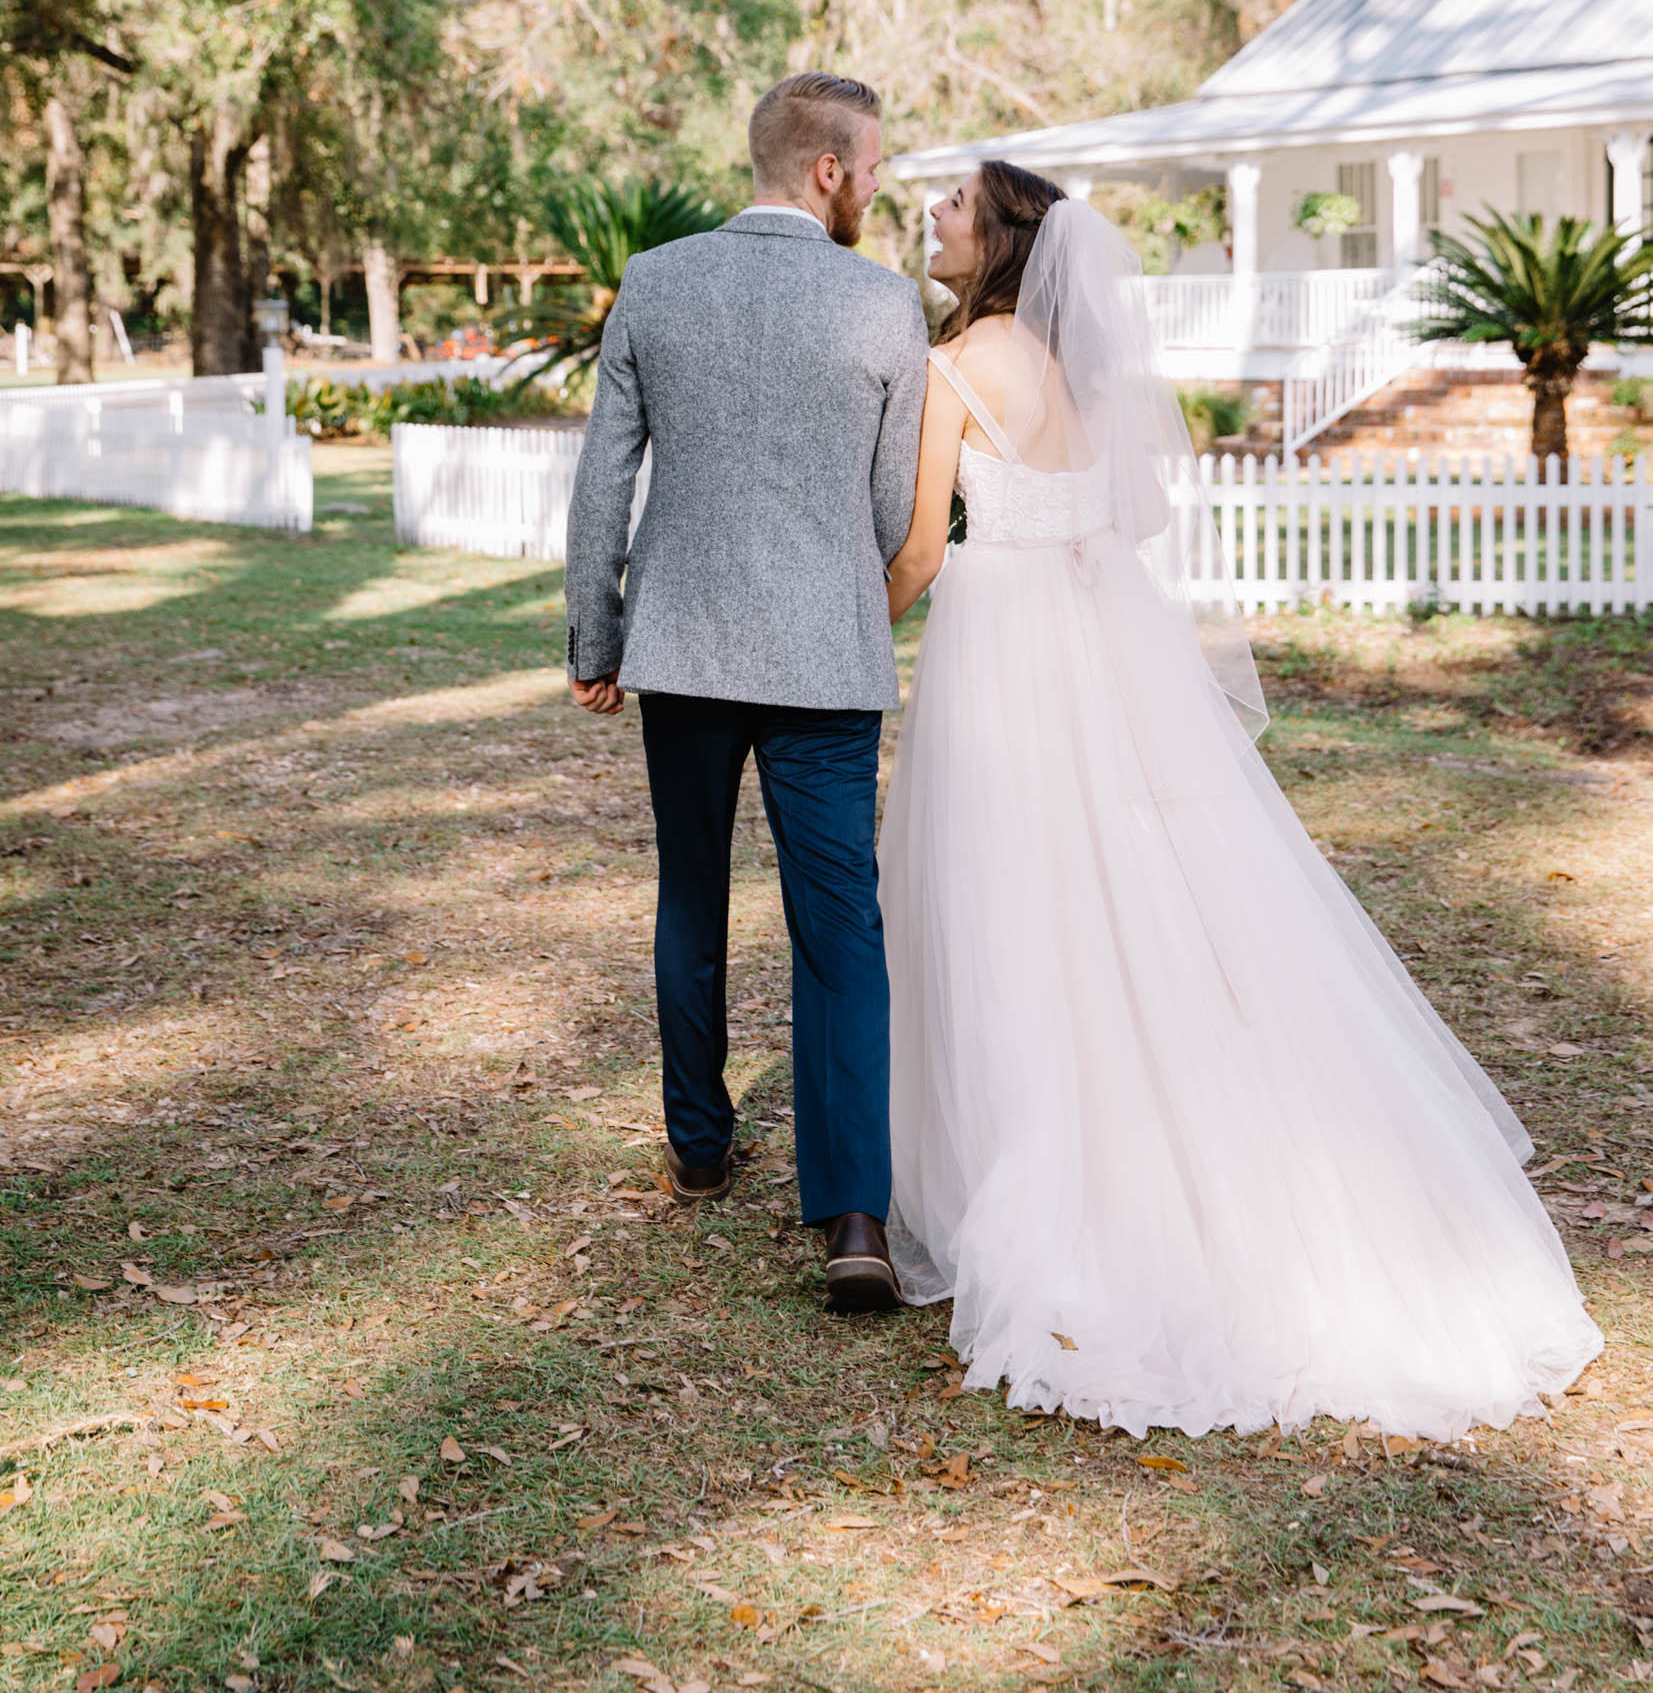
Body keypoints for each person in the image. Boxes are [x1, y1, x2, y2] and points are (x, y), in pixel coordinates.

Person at [878, 161, 1603, 1439]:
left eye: (949, 208)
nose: (930, 219)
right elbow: (1138, 512)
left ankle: (1032, 1162)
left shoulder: (954, 366)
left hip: (998, 642)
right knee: (1132, 884)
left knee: (1009, 887)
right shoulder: (1085, 371)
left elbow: (927, 548)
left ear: (995, 239)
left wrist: (856, 622)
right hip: (1094, 643)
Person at [563, 73, 930, 1313]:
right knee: (842, 927)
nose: (879, 186)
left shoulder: (657, 281)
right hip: (827, 658)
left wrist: (595, 636)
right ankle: (854, 1218)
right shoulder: (885, 305)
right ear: (827, 168)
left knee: (693, 886)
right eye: (873, 166)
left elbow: (603, 480)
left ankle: (702, 1145)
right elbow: (890, 512)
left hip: (686, 648)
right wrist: (831, 581)